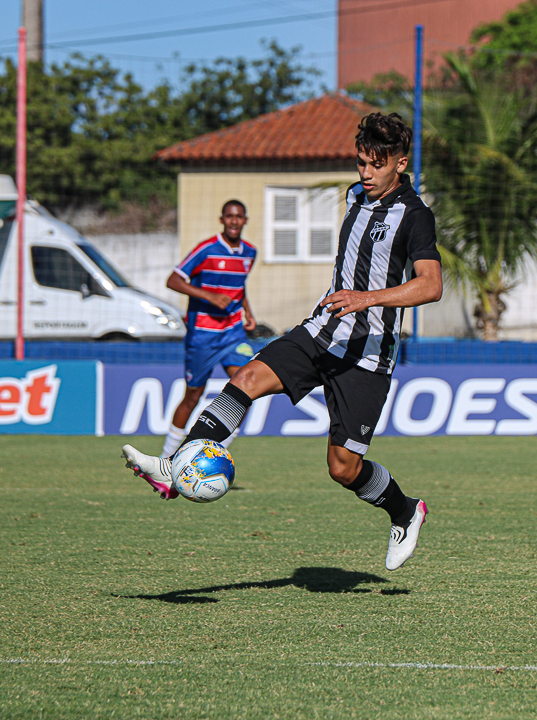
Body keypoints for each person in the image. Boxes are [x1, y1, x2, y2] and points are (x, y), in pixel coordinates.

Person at [122, 112, 444, 570]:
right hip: (320, 331)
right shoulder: (357, 195)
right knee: (247, 379)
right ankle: (177, 467)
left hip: (367, 354)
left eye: (376, 164)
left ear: (400, 162)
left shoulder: (415, 216)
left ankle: (405, 510)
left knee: (342, 469)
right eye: (361, 163)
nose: (366, 173)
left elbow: (431, 285)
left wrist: (366, 299)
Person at [159, 200, 257, 463]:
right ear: (222, 219)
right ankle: (167, 459)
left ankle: (217, 451)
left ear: (245, 220)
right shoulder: (206, 249)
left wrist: (247, 310)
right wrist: (209, 297)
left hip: (233, 332)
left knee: (246, 388)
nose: (234, 221)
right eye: (229, 217)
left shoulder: (250, 252)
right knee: (193, 396)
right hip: (203, 334)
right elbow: (173, 280)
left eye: (239, 217)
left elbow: (239, 286)